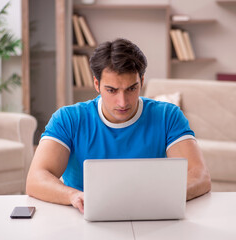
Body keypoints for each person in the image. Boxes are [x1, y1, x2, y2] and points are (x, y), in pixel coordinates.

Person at [26, 38, 211, 213]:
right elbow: (36, 178)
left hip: (151, 213)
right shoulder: (68, 118)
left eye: (131, 88)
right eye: (112, 90)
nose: (122, 102)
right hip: (83, 214)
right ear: (97, 84)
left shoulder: (168, 116)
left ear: (142, 82)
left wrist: (161, 198)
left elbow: (199, 175)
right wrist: (73, 195)